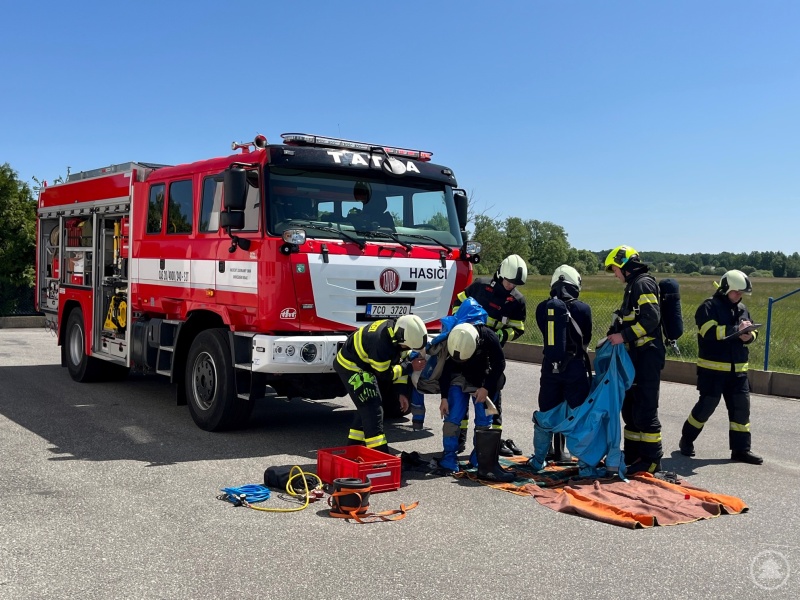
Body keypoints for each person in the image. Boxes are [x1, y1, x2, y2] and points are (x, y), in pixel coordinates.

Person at [679, 270, 763, 464]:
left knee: (741, 411)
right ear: (725, 288)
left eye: (741, 293)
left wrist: (750, 336)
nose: (739, 296)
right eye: (736, 292)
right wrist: (736, 331)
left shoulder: (742, 308)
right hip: (713, 372)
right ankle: (687, 439)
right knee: (705, 408)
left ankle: (741, 450)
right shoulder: (708, 307)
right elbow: (708, 331)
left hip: (738, 372)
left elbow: (750, 333)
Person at [450, 254, 528, 456]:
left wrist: (501, 335)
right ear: (501, 274)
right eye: (509, 282)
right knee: (461, 394)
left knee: (492, 395)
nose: (511, 286)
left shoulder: (517, 300)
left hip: (491, 352)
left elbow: (518, 328)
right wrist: (462, 324)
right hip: (466, 349)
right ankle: (458, 439)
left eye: (516, 284)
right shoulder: (480, 286)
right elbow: (458, 304)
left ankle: (491, 444)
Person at [605, 245, 665, 475]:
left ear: (624, 266)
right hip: (635, 357)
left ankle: (651, 460)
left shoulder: (643, 284)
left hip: (647, 356)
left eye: (615, 269)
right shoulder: (633, 286)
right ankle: (633, 455)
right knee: (630, 410)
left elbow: (651, 319)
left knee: (645, 410)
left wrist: (624, 335)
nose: (615, 274)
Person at [333, 314, 428, 453]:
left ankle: (353, 449)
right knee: (373, 408)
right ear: (401, 338)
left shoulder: (399, 333)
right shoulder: (381, 343)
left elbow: (399, 361)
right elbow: (384, 375)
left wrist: (401, 391)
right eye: (407, 345)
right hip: (351, 367)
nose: (407, 348)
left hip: (366, 366)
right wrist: (409, 367)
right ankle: (380, 456)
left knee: (365, 409)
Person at [529, 265, 592, 468]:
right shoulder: (583, 309)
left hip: (550, 367)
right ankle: (584, 465)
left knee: (546, 412)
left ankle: (539, 459)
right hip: (575, 368)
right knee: (578, 415)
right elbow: (587, 337)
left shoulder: (542, 308)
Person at [435, 323, 515, 482]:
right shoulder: (455, 339)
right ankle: (449, 458)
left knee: (483, 419)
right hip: (459, 377)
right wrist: (444, 397)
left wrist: (486, 388)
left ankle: (480, 458)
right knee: (453, 415)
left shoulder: (489, 338)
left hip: (483, 379)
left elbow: (499, 365)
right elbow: (446, 370)